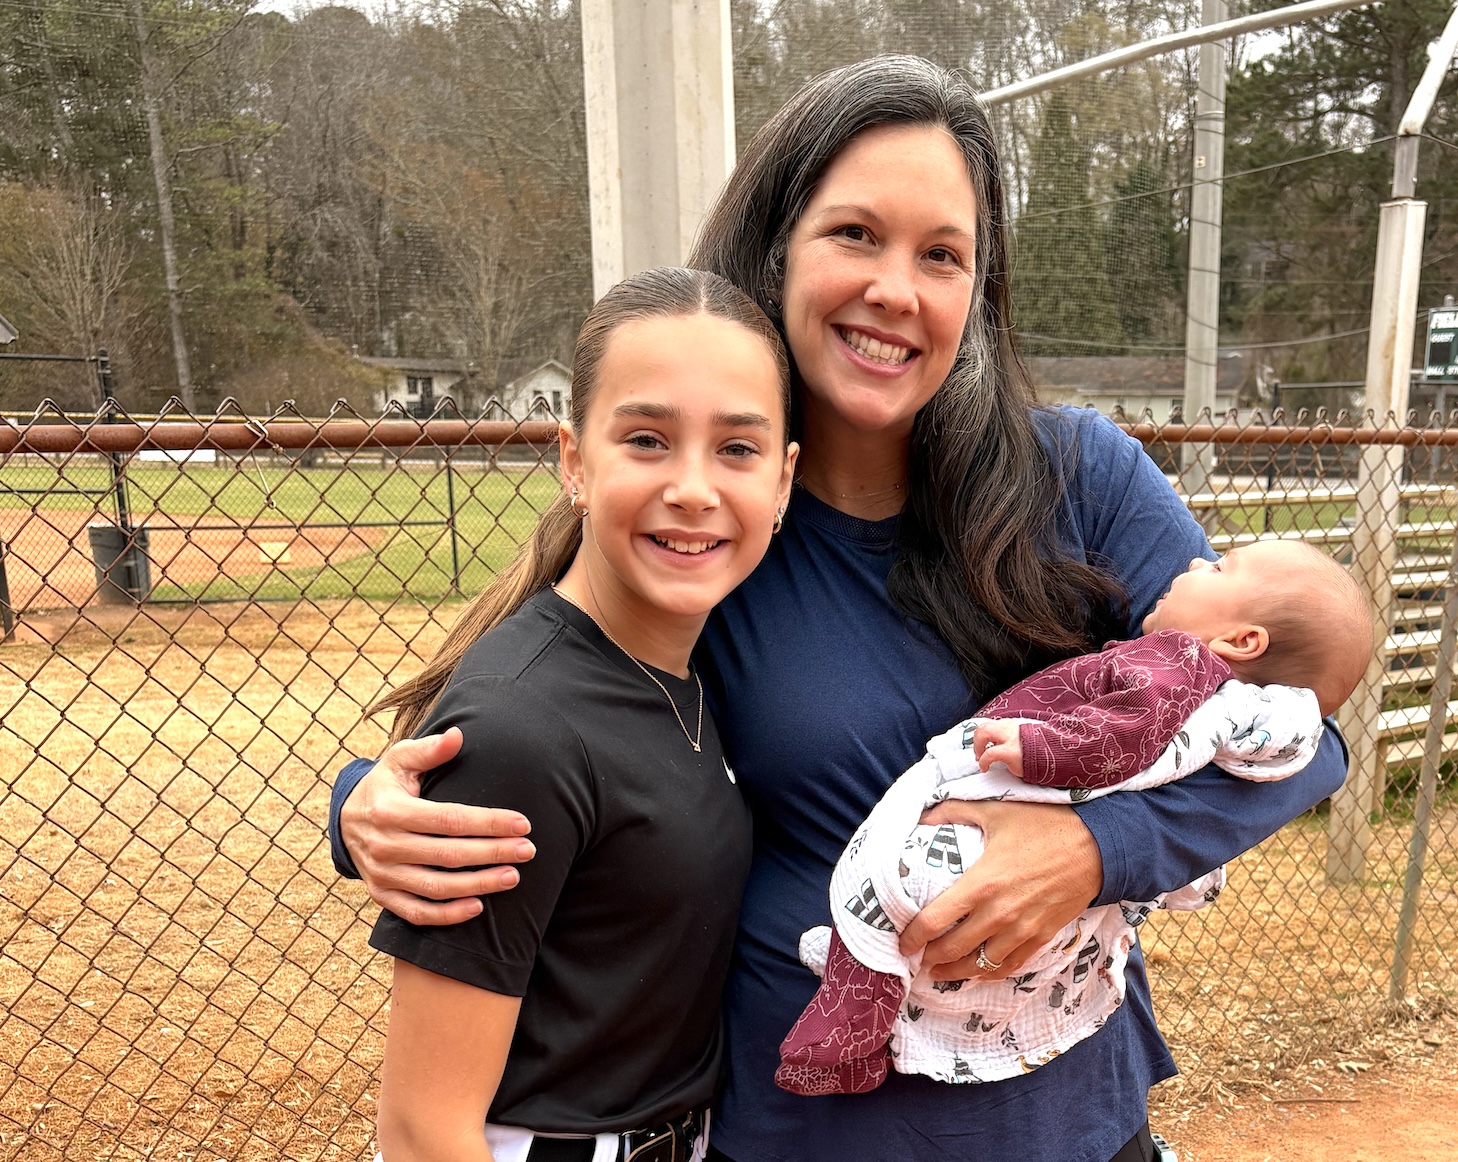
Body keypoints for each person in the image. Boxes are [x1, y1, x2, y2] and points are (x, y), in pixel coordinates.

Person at [328, 57, 1351, 1162]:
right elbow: (535, 700)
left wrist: (1096, 848)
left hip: (1070, 1123)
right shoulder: (711, 524)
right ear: (779, 247)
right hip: (807, 1129)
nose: (896, 291)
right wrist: (362, 808)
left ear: (979, 286)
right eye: (855, 234)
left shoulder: (1081, 480)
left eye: (942, 255)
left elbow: (1299, 731)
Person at [367, 267, 797, 1162]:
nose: (692, 487)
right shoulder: (522, 725)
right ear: (574, 459)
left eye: (738, 449)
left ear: (785, 478)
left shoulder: (684, 667)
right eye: (647, 439)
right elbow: (419, 1129)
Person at [776, 541, 1374, 1096]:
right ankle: (895, 1001)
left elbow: (1126, 733)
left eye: (1218, 569)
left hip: (998, 814)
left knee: (881, 887)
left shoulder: (1178, 657)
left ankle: (850, 1024)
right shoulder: (1241, 709)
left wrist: (1042, 748)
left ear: (1244, 642)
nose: (1194, 563)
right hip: (1046, 898)